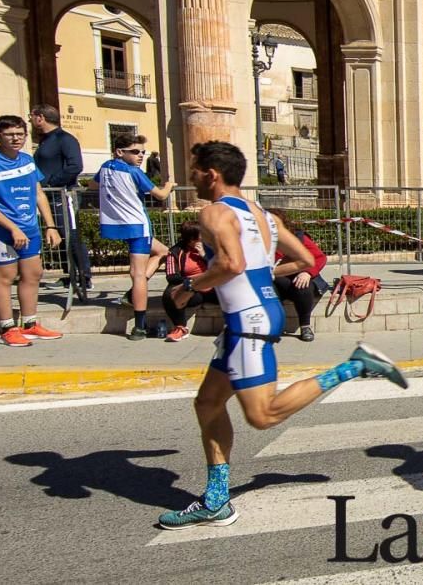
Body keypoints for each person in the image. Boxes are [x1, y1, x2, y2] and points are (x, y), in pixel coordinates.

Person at [157, 141, 408, 530]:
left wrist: (188, 286)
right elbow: (306, 259)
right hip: (253, 315)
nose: (191, 177)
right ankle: (217, 499)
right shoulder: (264, 216)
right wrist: (259, 277)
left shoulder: (213, 213)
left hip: (247, 321)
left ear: (212, 174)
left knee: (263, 414)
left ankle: (353, 367)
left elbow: (230, 263)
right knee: (207, 404)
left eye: (194, 170)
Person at [90, 135, 175, 340]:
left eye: (143, 152)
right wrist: (170, 185)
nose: (140, 156)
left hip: (116, 224)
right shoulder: (134, 172)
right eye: (135, 152)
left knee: (164, 252)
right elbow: (161, 195)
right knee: (137, 275)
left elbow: (93, 186)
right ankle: (140, 326)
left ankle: (133, 293)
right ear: (120, 151)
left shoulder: (105, 167)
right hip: (138, 226)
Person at [0, 115, 64, 346]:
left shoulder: (26, 160)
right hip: (1, 230)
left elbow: (38, 193)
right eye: (10, 134)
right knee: (5, 276)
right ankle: (7, 328)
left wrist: (50, 225)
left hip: (29, 228)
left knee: (33, 274)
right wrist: (12, 228)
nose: (16, 139)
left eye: (20, 134)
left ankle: (30, 325)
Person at [30, 103, 92, 291]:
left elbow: (75, 166)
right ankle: (68, 275)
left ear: (40, 117)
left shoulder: (65, 139)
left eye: (31, 116)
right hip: (50, 196)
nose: (30, 121)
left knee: (71, 235)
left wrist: (51, 184)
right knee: (61, 236)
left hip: (64, 194)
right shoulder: (45, 141)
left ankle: (84, 277)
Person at [268, 208, 329, 342]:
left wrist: (307, 273)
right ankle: (273, 326)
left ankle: (305, 326)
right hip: (276, 279)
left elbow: (319, 257)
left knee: (303, 287)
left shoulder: (298, 238)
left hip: (300, 276)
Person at [162, 220, 218, 342]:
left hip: (212, 286)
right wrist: (193, 281)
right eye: (201, 236)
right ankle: (180, 328)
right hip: (193, 289)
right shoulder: (175, 252)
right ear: (192, 239)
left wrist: (204, 256)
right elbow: (172, 276)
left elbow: (220, 267)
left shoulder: (211, 247)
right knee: (169, 294)